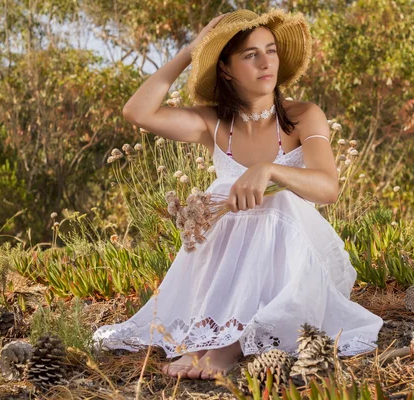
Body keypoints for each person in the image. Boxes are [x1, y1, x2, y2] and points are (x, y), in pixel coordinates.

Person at [92, 8, 383, 381]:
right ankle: (209, 334)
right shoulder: (213, 123)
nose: (266, 62)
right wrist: (190, 51)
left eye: (271, 50)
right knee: (222, 192)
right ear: (226, 69)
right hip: (230, 268)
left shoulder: (303, 115)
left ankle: (228, 345)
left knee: (277, 199)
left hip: (296, 261)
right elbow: (137, 111)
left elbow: (328, 188)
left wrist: (270, 169)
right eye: (250, 54)